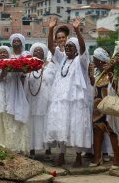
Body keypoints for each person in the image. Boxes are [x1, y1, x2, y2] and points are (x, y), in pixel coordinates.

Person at [46, 17, 92, 167]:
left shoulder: (81, 60)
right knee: (61, 126)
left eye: (71, 47)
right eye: (67, 46)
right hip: (61, 100)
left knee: (77, 126)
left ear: (77, 49)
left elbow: (84, 47)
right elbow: (51, 48)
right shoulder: (62, 59)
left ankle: (78, 156)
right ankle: (61, 155)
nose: (67, 48)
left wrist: (77, 30)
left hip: (76, 101)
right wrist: (51, 29)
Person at [0, 46, 29, 153]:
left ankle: (12, 151)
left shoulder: (15, 68)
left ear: (9, 55)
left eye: (5, 53)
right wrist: (1, 76)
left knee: (11, 126)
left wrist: (22, 72)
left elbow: (22, 83)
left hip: (11, 102)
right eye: (0, 53)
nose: (3, 54)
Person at [88, 47, 119, 168]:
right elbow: (94, 86)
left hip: (110, 109)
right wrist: (90, 75)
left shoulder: (113, 72)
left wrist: (111, 72)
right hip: (98, 109)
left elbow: (116, 88)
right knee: (97, 132)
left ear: (100, 60)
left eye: (94, 59)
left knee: (112, 133)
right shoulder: (98, 73)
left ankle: (116, 160)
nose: (93, 60)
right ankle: (97, 159)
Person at [24, 42, 56, 157]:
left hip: (45, 99)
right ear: (32, 52)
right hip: (31, 98)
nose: (38, 52)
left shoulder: (50, 66)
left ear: (44, 53)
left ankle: (48, 149)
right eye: (35, 51)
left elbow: (53, 82)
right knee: (31, 123)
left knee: (45, 123)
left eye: (40, 51)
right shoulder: (27, 66)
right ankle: (32, 149)